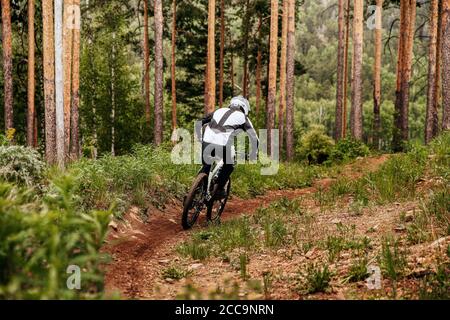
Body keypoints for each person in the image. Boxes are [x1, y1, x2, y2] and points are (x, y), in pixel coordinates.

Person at [197, 96, 259, 198]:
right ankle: (220, 189)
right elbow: (254, 138)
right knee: (229, 165)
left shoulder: (219, 110)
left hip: (206, 141)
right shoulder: (243, 117)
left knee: (206, 167)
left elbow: (200, 121)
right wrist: (253, 154)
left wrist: (199, 138)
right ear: (244, 108)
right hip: (223, 144)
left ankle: (196, 193)